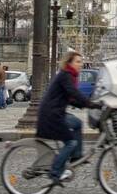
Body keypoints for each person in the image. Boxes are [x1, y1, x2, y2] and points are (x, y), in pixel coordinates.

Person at [36, 51, 101, 184]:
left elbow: (71, 99)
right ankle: (55, 172)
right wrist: (91, 104)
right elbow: (74, 93)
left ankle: (76, 157)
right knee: (70, 142)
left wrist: (89, 105)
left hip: (55, 112)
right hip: (52, 115)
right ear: (69, 63)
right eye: (78, 61)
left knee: (77, 123)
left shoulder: (69, 76)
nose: (81, 64)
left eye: (81, 61)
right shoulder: (66, 75)